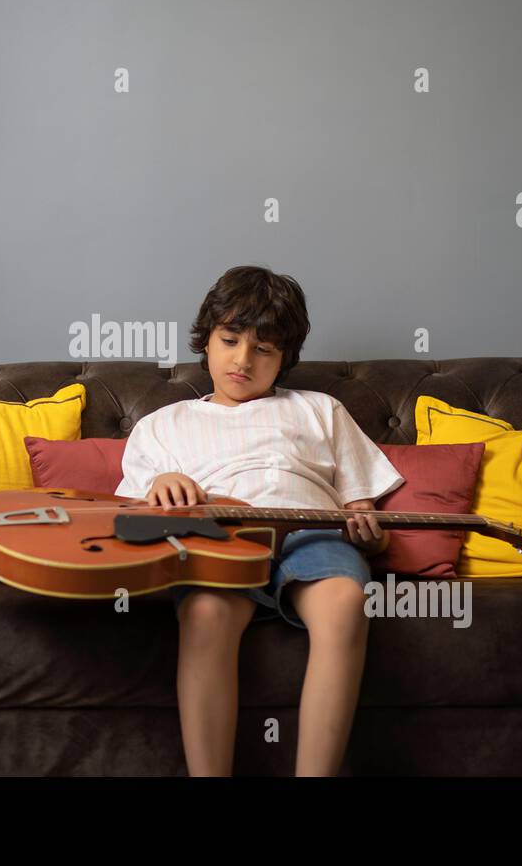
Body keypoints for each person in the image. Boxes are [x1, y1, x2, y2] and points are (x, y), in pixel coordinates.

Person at [114, 264, 405, 776]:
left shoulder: (321, 410)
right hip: (219, 539)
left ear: (285, 359)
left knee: (346, 601)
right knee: (205, 613)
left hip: (311, 531)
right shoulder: (161, 426)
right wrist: (159, 490)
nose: (242, 360)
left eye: (264, 350)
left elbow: (360, 507)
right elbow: (132, 519)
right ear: (206, 341)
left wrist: (368, 533)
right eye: (230, 340)